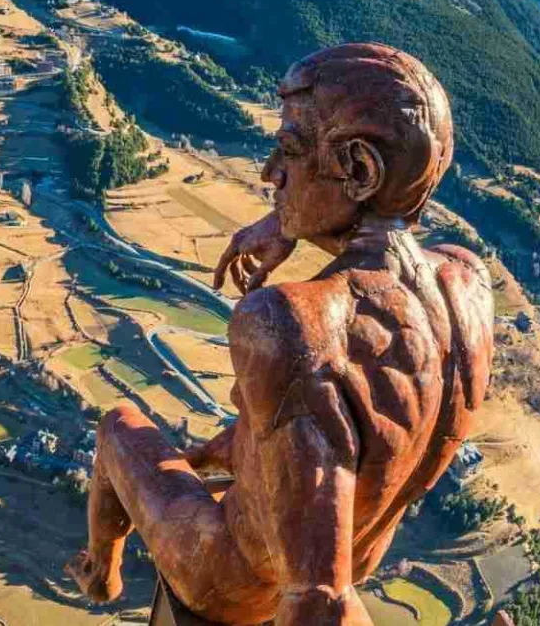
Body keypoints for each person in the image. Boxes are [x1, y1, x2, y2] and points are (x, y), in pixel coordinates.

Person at [66, 43, 494, 625]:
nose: (271, 173)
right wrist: (291, 219)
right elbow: (344, 432)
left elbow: (319, 596)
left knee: (119, 428)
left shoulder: (288, 320)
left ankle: (99, 573)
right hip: (362, 551)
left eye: (289, 151)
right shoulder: (465, 286)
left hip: (230, 576)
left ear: (360, 170)